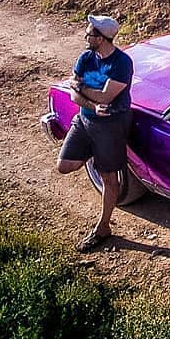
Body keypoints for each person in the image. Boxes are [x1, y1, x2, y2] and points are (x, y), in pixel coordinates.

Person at [55, 14, 133, 252]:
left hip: (110, 126)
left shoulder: (121, 63)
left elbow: (104, 97)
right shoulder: (86, 57)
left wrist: (80, 87)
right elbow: (76, 95)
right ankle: (96, 155)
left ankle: (103, 227)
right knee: (64, 165)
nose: (85, 37)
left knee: (110, 179)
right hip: (85, 120)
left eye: (89, 34)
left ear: (101, 38)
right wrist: (87, 100)